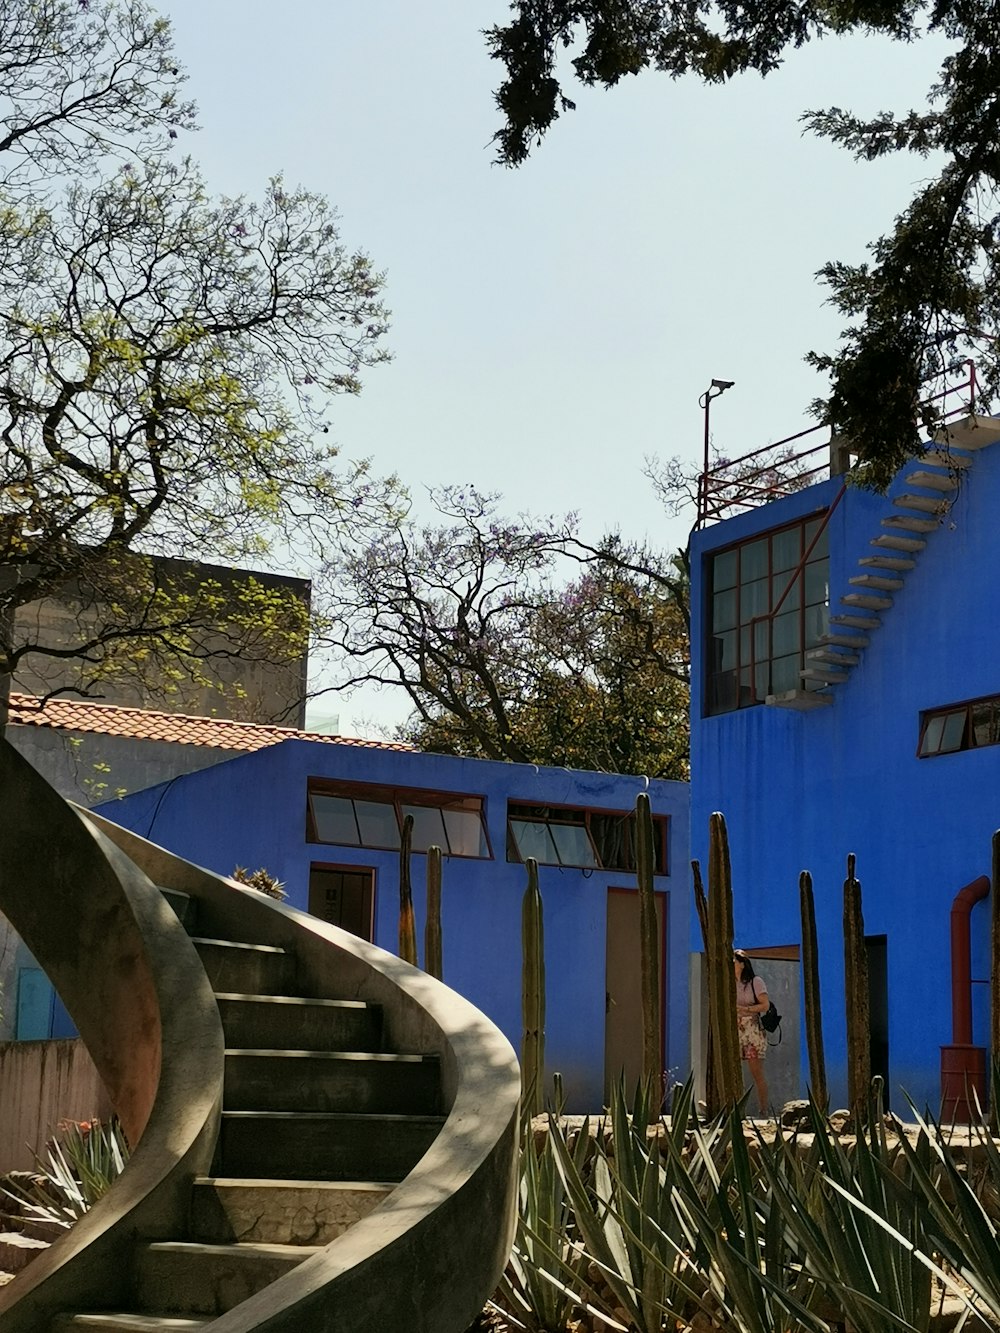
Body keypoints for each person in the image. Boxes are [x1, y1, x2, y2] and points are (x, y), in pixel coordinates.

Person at [734, 949, 771, 1115]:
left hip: (752, 1031)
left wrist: (745, 1009)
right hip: (735, 1030)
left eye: (734, 961)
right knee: (733, 1070)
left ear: (742, 964)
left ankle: (763, 1110)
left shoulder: (755, 981)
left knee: (756, 1071)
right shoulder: (729, 982)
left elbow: (765, 1005)